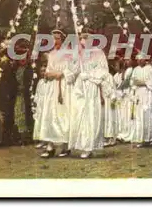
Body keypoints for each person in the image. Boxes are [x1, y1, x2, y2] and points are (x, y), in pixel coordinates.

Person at [68, 29, 113, 159]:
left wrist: (89, 75)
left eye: (87, 38)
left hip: (92, 86)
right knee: (79, 115)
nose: (84, 41)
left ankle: (89, 146)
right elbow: (72, 70)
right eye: (82, 38)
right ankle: (82, 144)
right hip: (80, 87)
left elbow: (103, 71)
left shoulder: (98, 53)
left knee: (91, 116)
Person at [39, 30, 76, 158]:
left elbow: (72, 72)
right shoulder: (52, 54)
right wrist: (50, 74)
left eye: (58, 39)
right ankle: (50, 146)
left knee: (63, 114)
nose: (55, 41)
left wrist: (61, 74)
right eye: (53, 39)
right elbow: (48, 71)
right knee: (51, 115)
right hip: (52, 87)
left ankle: (65, 146)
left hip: (64, 87)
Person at [130, 53, 152, 148]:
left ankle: (149, 138)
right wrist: (136, 84)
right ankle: (140, 139)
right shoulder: (135, 69)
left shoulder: (149, 68)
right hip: (139, 94)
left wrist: (144, 82)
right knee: (139, 116)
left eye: (141, 59)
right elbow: (132, 81)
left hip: (148, 94)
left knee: (148, 116)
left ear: (144, 60)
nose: (139, 61)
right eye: (138, 60)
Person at [116, 57, 135, 143]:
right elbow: (123, 79)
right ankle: (123, 133)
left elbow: (126, 82)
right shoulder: (126, 70)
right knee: (124, 116)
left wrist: (119, 89)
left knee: (129, 115)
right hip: (124, 96)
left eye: (128, 60)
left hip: (129, 95)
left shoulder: (131, 70)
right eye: (126, 60)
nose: (127, 62)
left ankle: (130, 135)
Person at [32, 61, 50, 149]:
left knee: (46, 121)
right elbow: (37, 93)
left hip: (47, 103)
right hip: (40, 103)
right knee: (39, 121)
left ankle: (47, 141)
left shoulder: (50, 82)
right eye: (41, 71)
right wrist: (35, 102)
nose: (43, 73)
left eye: (44, 71)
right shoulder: (40, 82)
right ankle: (42, 141)